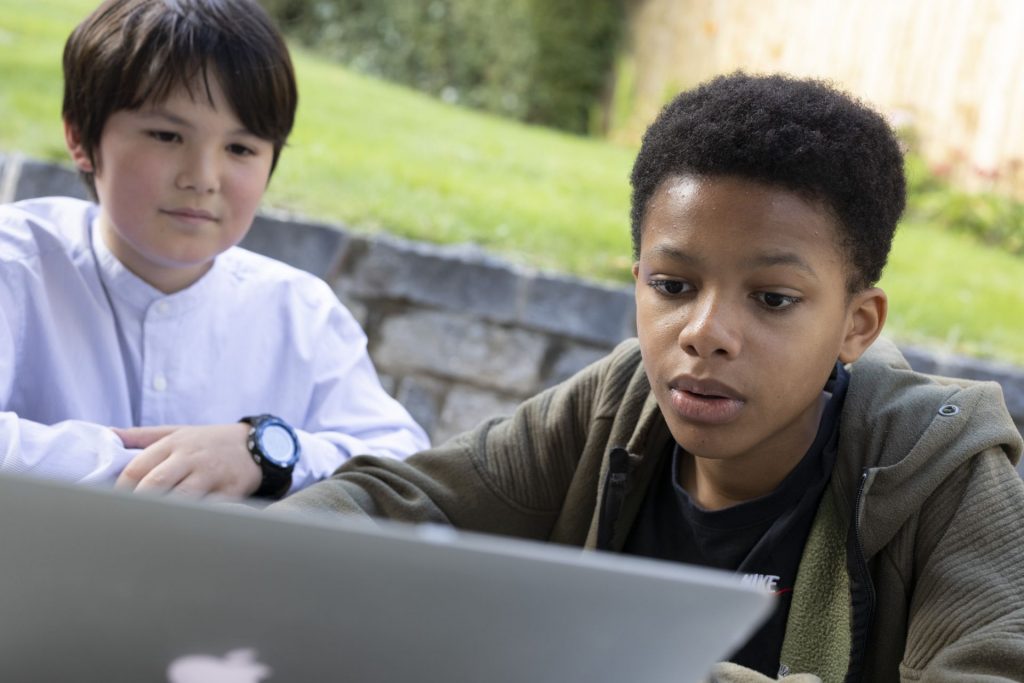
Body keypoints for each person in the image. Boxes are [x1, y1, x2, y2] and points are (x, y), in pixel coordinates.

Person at [270, 73, 1024, 681]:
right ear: (637, 279)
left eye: (772, 299)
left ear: (857, 324)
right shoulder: (617, 401)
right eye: (672, 285)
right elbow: (391, 503)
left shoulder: (939, 466)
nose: (704, 333)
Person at [0, 0, 429, 500]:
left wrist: (265, 451)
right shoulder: (16, 265)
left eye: (240, 149)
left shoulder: (303, 316)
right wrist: (171, 467)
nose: (202, 178)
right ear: (80, 136)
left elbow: (405, 470)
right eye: (167, 135)